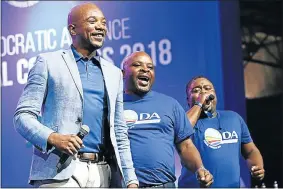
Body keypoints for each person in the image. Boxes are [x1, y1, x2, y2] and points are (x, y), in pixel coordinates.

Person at [13, 3, 138, 188]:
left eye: (104, 23)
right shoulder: (48, 62)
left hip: (103, 173)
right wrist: (54, 138)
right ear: (73, 29)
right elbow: (22, 117)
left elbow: (119, 131)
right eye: (92, 21)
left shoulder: (113, 73)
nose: (101, 26)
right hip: (59, 170)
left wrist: (131, 180)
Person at [122, 51, 213, 188]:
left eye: (150, 67)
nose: (145, 69)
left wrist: (200, 168)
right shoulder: (113, 106)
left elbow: (186, 146)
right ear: (122, 73)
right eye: (137, 65)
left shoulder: (170, 104)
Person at [178, 76, 265, 188]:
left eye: (208, 88)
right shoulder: (185, 121)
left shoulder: (233, 118)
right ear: (188, 99)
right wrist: (199, 104)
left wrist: (257, 166)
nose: (203, 92)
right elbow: (182, 129)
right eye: (196, 90)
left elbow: (250, 151)